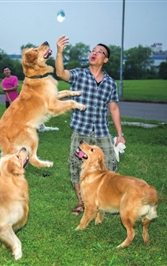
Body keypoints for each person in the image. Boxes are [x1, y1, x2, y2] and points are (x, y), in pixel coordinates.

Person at [55, 35, 126, 215]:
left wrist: (120, 134)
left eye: (99, 51)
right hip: (81, 130)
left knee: (109, 165)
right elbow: (61, 73)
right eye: (92, 50)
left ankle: (102, 201)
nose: (94, 53)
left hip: (102, 131)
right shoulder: (80, 74)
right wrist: (59, 52)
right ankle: (82, 202)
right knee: (76, 165)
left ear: (106, 59)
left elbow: (114, 108)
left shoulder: (110, 82)